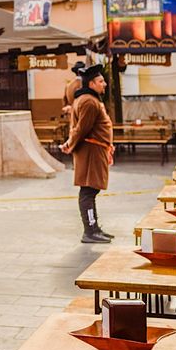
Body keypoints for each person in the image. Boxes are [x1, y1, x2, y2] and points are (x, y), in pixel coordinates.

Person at [61, 65, 114, 244]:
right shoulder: (89, 102)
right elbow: (82, 129)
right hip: (91, 152)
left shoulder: (87, 99)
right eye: (100, 81)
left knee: (91, 190)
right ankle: (90, 231)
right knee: (88, 191)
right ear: (91, 84)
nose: (104, 84)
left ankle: (94, 228)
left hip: (93, 151)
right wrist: (69, 144)